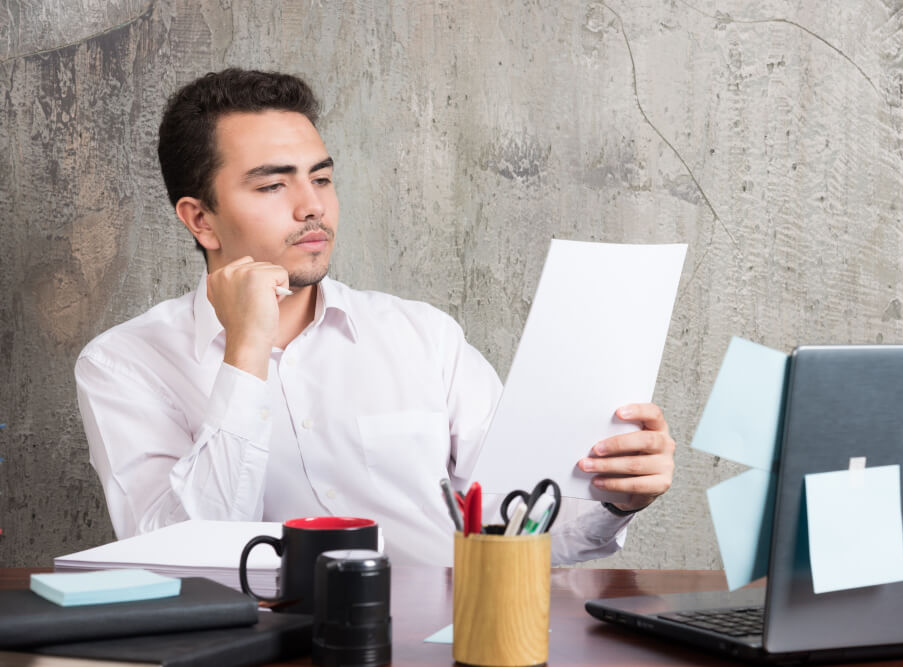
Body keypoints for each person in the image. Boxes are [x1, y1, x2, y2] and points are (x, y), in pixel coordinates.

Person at [75, 69, 676, 566]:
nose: (312, 206)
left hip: (448, 644)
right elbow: (172, 554)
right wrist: (246, 352)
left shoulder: (424, 338)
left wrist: (613, 498)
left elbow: (519, 535)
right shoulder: (124, 363)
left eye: (322, 178)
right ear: (200, 219)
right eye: (271, 187)